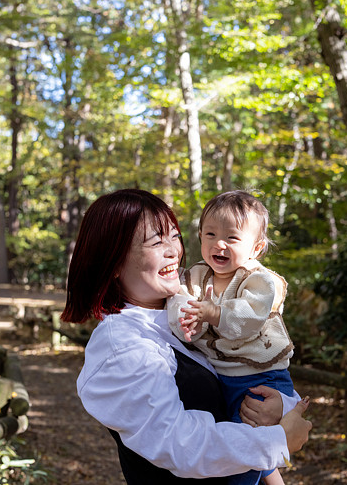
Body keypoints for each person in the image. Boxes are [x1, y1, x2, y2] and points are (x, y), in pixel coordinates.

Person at [61, 188, 311, 484]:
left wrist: (279, 406)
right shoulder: (123, 345)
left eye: (174, 236)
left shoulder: (181, 313)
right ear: (114, 262)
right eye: (156, 241)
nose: (173, 251)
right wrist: (277, 440)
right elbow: (180, 445)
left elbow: (244, 373)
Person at [167, 190, 295, 485]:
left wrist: (213, 313)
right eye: (210, 234)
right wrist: (185, 322)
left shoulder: (258, 280)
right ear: (199, 237)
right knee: (238, 443)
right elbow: (180, 300)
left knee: (246, 453)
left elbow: (249, 317)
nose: (219, 244)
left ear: (257, 247)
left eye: (232, 238)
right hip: (221, 376)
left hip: (260, 377)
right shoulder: (196, 276)